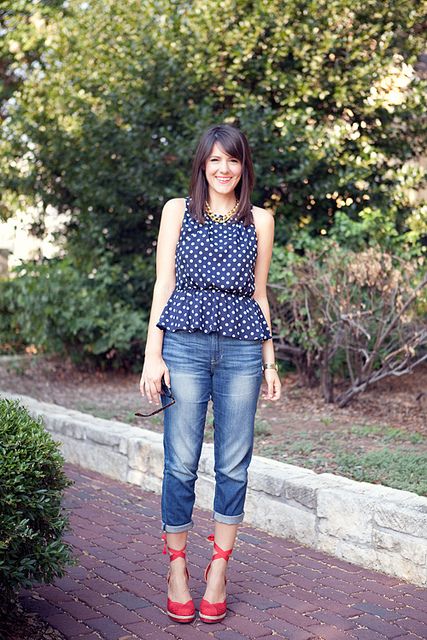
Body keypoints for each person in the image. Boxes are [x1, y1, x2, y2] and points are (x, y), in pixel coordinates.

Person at [139, 123, 281, 624]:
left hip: (242, 349)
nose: (224, 169)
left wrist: (269, 360)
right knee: (180, 461)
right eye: (215, 160)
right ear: (203, 164)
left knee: (234, 463)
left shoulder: (260, 220)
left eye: (234, 160)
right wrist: (152, 353)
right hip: (184, 345)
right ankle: (177, 566)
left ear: (244, 166)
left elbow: (259, 294)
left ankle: (218, 568)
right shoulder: (178, 211)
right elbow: (164, 281)